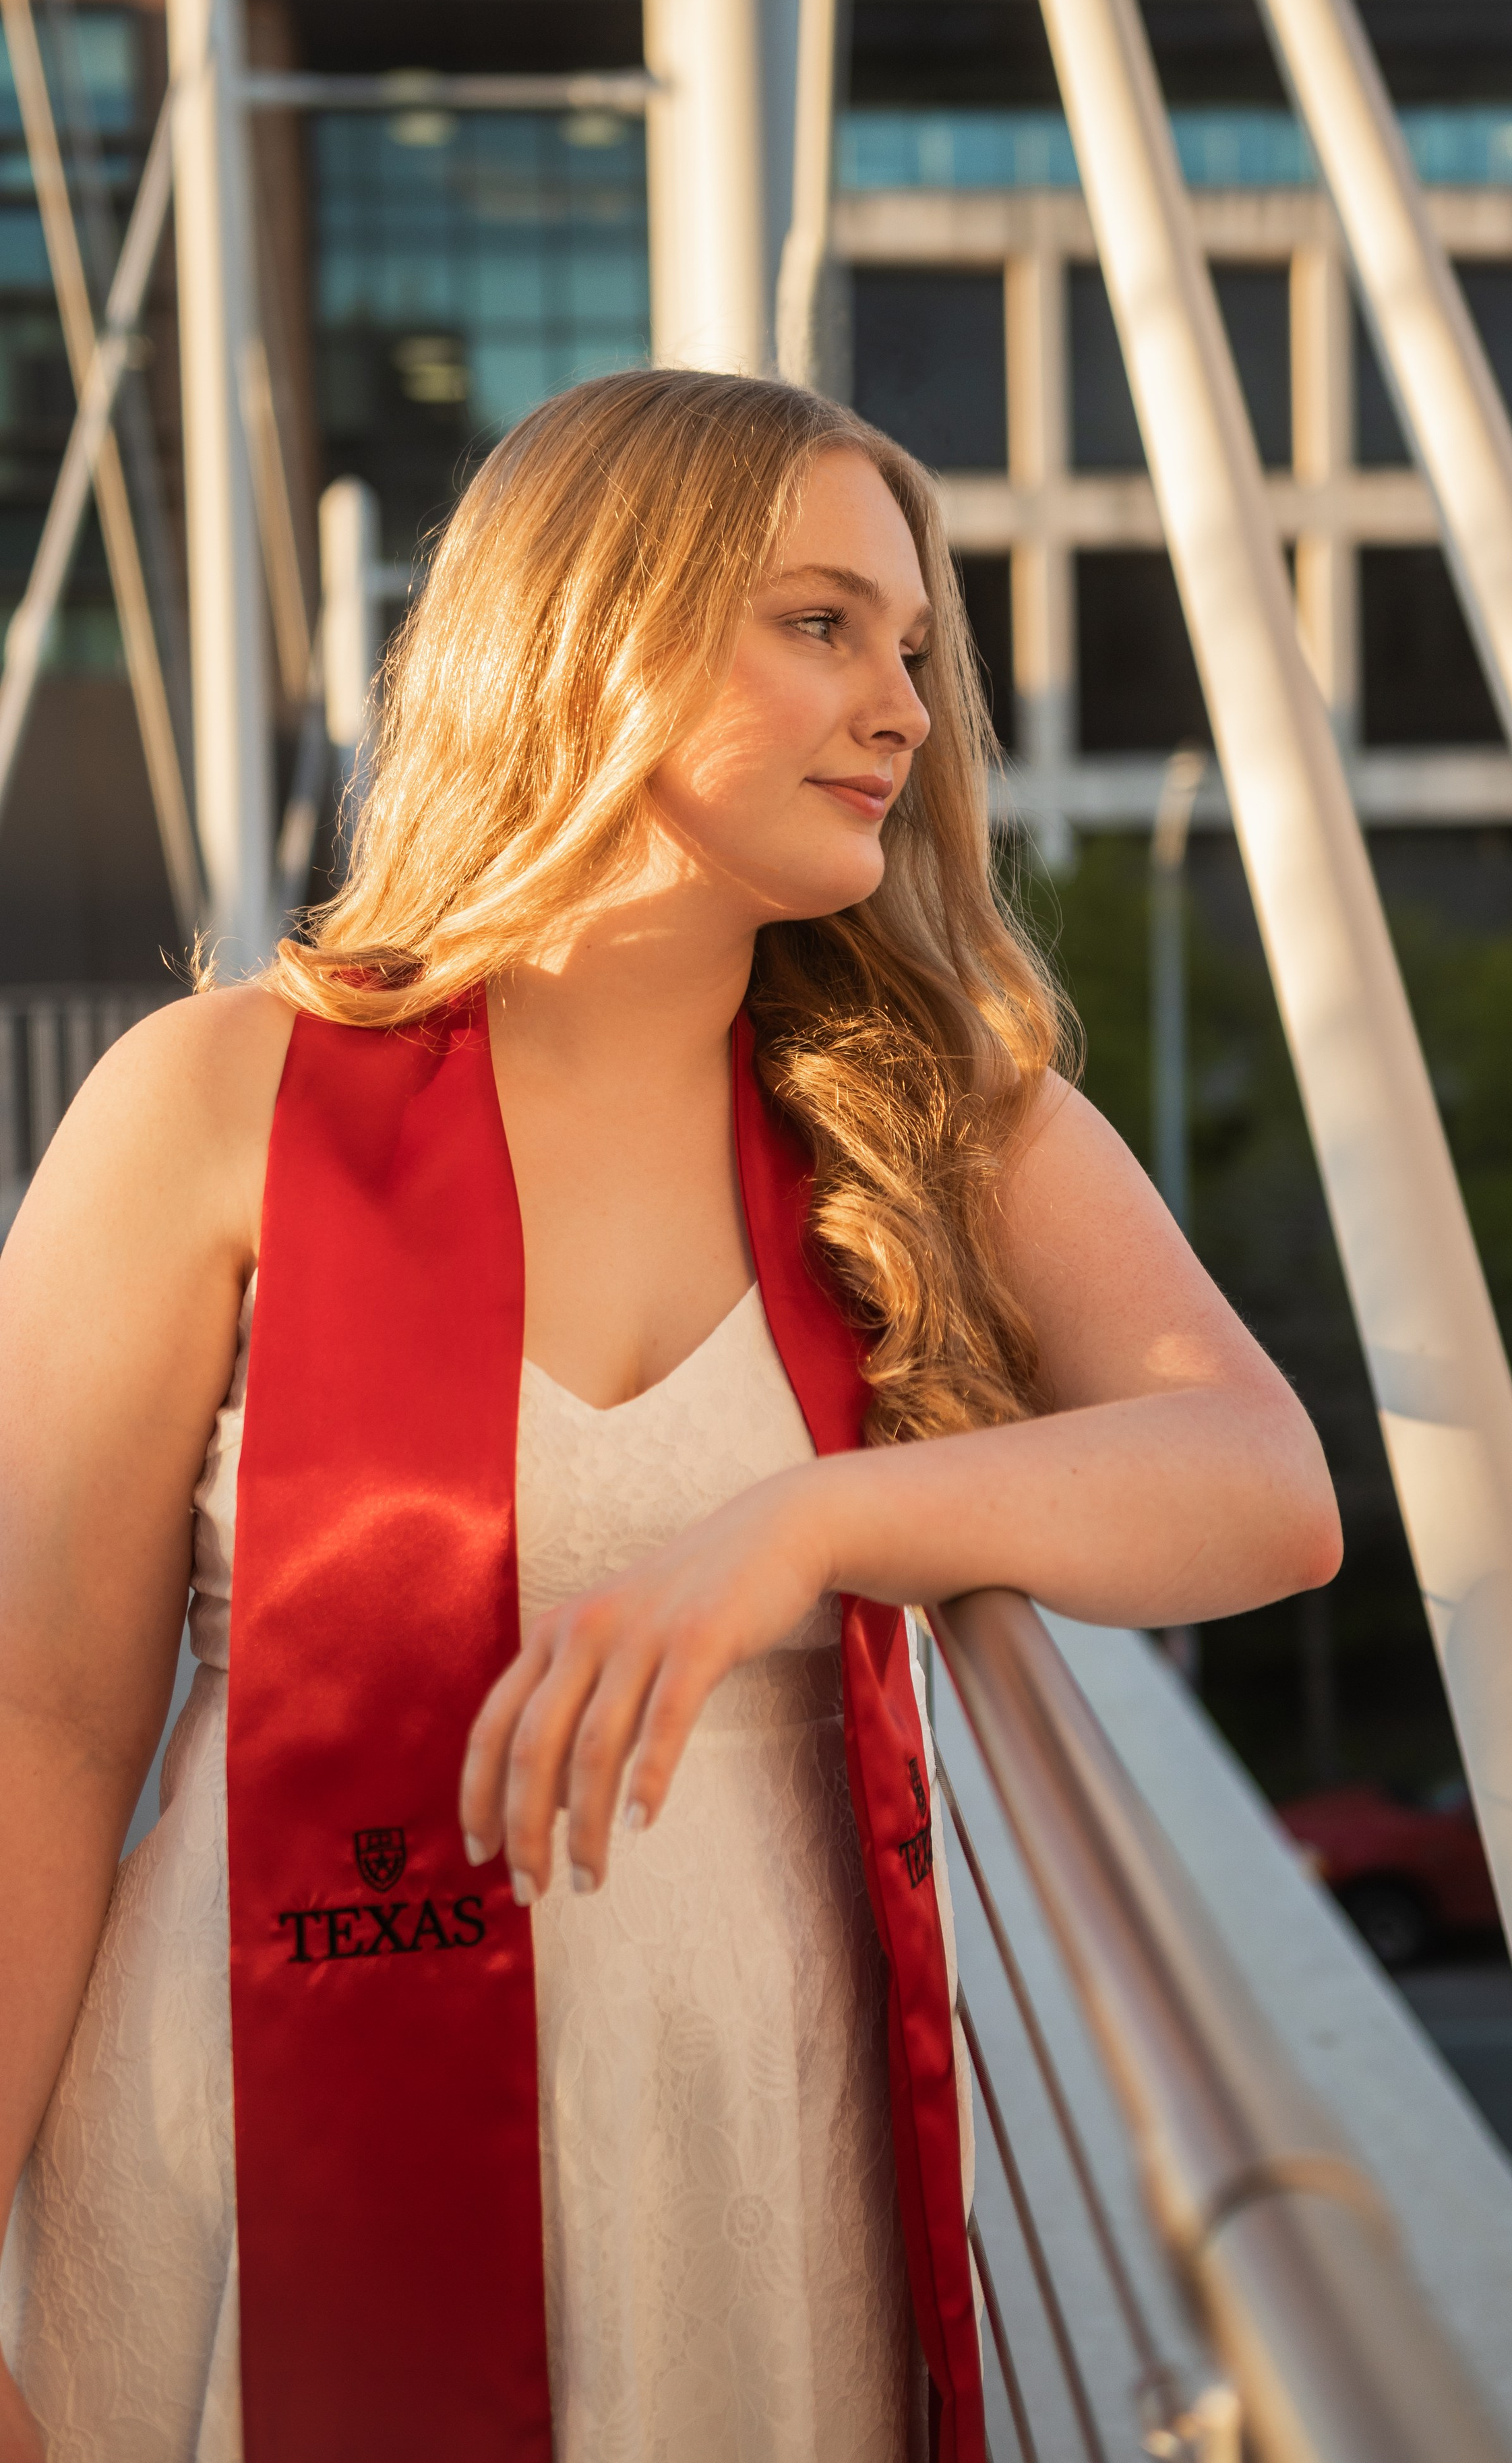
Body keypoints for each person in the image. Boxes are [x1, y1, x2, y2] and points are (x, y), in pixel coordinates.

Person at [0, 367, 1340, 2463]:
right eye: (820, 624)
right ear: (593, 628)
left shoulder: (925, 1115)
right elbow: (42, 1725)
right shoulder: (210, 1104)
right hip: (253, 2146)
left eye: (912, 646)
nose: (901, 704)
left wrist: (801, 1530)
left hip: (749, 2158)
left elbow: (1264, 1488)